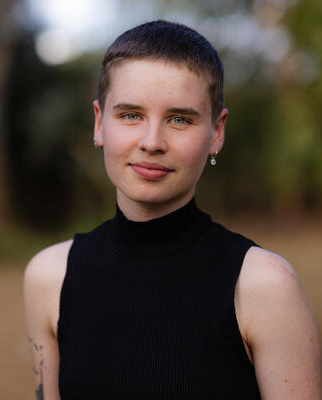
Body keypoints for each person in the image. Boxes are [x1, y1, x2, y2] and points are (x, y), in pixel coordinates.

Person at [23, 20, 322, 400]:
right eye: (130, 115)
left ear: (216, 132)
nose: (151, 142)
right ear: (99, 123)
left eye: (180, 119)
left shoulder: (265, 286)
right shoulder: (49, 277)